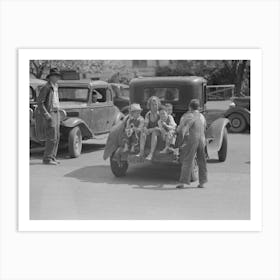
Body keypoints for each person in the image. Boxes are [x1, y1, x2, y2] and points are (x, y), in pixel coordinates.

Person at [176, 99, 207, 188]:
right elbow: (204, 127)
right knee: (202, 161)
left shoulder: (188, 115)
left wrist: (178, 135)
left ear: (190, 107)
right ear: (198, 107)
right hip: (202, 139)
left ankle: (182, 182)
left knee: (187, 160)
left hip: (193, 139)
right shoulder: (201, 116)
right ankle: (202, 183)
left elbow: (182, 128)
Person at [37, 68, 61, 165]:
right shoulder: (46, 87)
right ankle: (47, 159)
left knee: (57, 136)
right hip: (50, 112)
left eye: (58, 76)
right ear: (50, 77)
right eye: (55, 76)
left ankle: (52, 157)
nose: (57, 78)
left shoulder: (55, 86)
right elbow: (40, 102)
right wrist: (47, 115)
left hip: (57, 112)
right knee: (51, 136)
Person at [137, 96, 161, 160]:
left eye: (155, 104)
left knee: (154, 132)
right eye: (152, 105)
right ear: (149, 106)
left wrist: (151, 130)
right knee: (143, 131)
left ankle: (151, 153)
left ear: (158, 105)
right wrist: (145, 129)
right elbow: (145, 125)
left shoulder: (160, 114)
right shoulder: (148, 114)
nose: (154, 106)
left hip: (159, 133)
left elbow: (160, 128)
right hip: (150, 132)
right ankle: (141, 152)